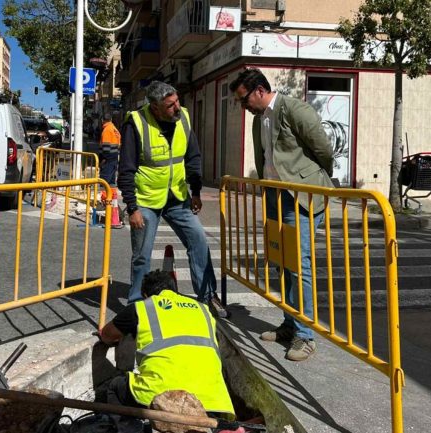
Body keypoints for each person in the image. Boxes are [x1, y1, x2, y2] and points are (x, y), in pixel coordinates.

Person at [229, 68, 334, 362]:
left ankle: (306, 335)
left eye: (244, 99)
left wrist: (314, 179)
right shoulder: (258, 120)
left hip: (299, 196)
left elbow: (323, 150)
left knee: (299, 266)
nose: (243, 106)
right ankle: (290, 325)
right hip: (275, 196)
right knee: (283, 263)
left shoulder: (293, 110)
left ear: (260, 90)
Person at [118, 80, 228, 318]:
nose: (177, 108)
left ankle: (208, 296)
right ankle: (137, 305)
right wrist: (132, 207)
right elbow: (125, 169)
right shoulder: (135, 123)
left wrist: (196, 191)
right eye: (170, 105)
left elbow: (193, 157)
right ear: (155, 108)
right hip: (146, 200)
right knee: (142, 255)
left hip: (177, 197)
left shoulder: (184, 118)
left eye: (177, 101)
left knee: (198, 241)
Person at [97, 269, 235, 431]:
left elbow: (107, 335)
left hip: (160, 396)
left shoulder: (143, 307)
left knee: (115, 387)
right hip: (214, 402)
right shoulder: (204, 309)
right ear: (174, 290)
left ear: (145, 294)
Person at [99, 111, 121, 186]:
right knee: (111, 181)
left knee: (104, 181)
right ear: (111, 120)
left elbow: (106, 147)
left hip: (108, 159)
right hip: (114, 156)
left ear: (103, 120)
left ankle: (105, 196)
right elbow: (118, 144)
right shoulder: (115, 129)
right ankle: (111, 196)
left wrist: (103, 160)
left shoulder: (106, 130)